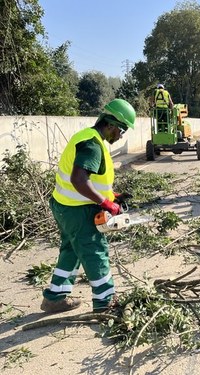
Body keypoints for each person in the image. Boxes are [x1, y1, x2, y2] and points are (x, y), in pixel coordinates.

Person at [40, 99, 136, 314]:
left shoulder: (88, 137)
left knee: (71, 250)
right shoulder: (92, 145)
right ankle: (105, 301)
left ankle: (55, 297)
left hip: (65, 206)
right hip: (78, 210)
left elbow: (93, 180)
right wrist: (105, 204)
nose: (121, 136)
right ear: (110, 125)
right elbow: (79, 180)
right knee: (95, 251)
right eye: (121, 130)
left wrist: (113, 196)